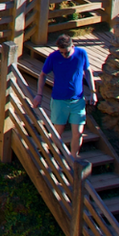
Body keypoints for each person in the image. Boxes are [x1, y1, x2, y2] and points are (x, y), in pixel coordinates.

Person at [39, 31, 92, 160]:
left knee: (78, 132)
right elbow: (42, 75)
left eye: (66, 52)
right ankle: (53, 156)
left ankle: (73, 158)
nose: (64, 55)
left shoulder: (81, 54)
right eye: (61, 52)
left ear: (72, 46)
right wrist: (39, 94)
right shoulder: (53, 57)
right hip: (59, 100)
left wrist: (93, 92)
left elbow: (88, 71)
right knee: (58, 132)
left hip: (77, 100)